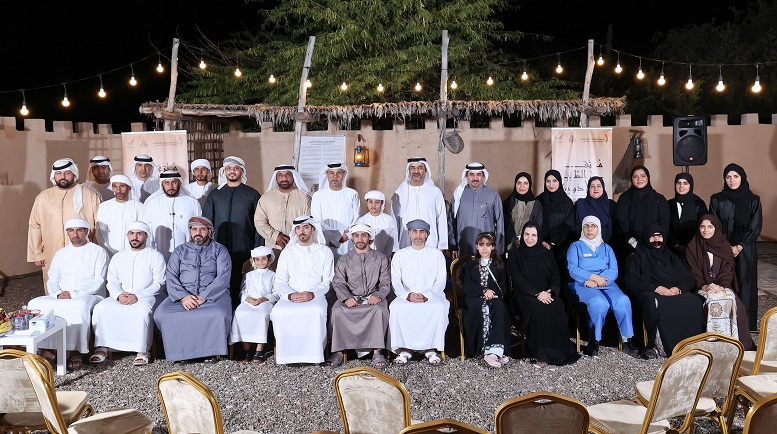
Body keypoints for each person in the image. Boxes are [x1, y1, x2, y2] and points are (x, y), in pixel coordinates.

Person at [28, 218, 107, 370]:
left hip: (87, 295)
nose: (75, 234)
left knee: (78, 307)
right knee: (35, 304)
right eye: (71, 230)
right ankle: (48, 349)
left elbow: (99, 281)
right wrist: (57, 293)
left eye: (79, 230)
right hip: (61, 294)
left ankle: (75, 350)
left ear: (86, 232)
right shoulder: (61, 253)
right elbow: (53, 278)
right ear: (67, 233)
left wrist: (74, 294)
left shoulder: (98, 252)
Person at [153, 217, 232, 363]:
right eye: (194, 229)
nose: (198, 233)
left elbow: (223, 276)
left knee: (219, 314)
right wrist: (183, 297)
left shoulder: (220, 250)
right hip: (182, 295)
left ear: (210, 232)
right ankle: (180, 353)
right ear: (190, 231)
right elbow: (170, 276)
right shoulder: (180, 251)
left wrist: (204, 296)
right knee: (161, 313)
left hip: (213, 295)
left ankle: (210, 353)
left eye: (202, 229)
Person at [624, 224, 705, 359]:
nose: (657, 240)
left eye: (659, 236)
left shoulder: (671, 256)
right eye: (653, 236)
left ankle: (690, 345)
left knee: (694, 301)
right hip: (651, 290)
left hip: (673, 291)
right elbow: (631, 281)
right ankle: (657, 347)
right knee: (654, 302)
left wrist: (678, 289)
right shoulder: (638, 257)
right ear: (646, 238)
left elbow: (688, 280)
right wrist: (656, 288)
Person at [90, 221, 165, 366]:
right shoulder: (118, 257)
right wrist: (118, 295)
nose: (135, 237)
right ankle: (103, 347)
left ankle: (142, 350)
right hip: (122, 295)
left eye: (139, 234)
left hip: (148, 295)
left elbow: (159, 283)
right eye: (131, 233)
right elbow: (111, 281)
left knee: (142, 310)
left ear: (146, 236)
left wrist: (138, 296)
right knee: (101, 308)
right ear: (127, 236)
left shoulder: (156, 256)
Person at [509, 222, 579, 365]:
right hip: (525, 294)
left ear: (539, 236)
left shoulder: (546, 252)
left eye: (533, 235)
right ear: (522, 235)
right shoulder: (515, 253)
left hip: (546, 292)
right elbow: (517, 278)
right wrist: (536, 293)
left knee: (557, 306)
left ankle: (557, 351)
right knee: (537, 309)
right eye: (526, 234)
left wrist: (549, 291)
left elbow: (555, 275)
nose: (529, 238)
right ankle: (539, 354)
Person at [567, 216, 638, 357]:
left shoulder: (607, 248)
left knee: (623, 300)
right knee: (599, 303)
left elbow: (614, 270)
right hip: (583, 284)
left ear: (598, 229)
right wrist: (593, 278)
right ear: (582, 228)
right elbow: (573, 269)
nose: (589, 229)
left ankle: (626, 339)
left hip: (607, 284)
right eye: (586, 226)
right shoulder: (575, 246)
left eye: (593, 226)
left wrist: (600, 280)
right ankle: (594, 340)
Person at [684, 214, 755, 350]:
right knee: (709, 300)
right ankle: (710, 345)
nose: (706, 230)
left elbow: (728, 270)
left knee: (736, 304)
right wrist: (704, 285)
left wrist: (720, 285)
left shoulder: (724, 245)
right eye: (702, 226)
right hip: (701, 286)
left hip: (722, 286)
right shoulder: (692, 246)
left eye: (710, 226)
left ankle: (734, 345)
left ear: (715, 228)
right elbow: (692, 271)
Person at [28, 158, 101, 288]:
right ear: (53, 176)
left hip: (82, 251)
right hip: (51, 251)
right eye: (58, 173)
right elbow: (35, 225)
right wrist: (37, 253)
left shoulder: (88, 195)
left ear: (74, 174)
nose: (63, 177)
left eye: (67, 173)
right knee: (52, 284)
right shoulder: (43, 197)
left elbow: (98, 224)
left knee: (81, 284)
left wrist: (96, 250)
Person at [271, 216, 334, 364]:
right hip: (291, 295)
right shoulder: (288, 252)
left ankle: (314, 356)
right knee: (279, 312)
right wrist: (290, 295)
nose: (301, 231)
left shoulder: (325, 252)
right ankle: (287, 357)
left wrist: (312, 294)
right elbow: (280, 282)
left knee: (316, 311)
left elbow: (328, 281)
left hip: (316, 295)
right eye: (298, 228)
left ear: (313, 229)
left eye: (305, 227)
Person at [327, 224, 391, 369]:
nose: (360, 239)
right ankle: (338, 351)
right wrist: (346, 298)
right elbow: (338, 282)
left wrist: (378, 295)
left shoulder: (380, 258)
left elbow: (385, 282)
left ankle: (377, 351)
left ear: (370, 238)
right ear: (352, 238)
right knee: (337, 310)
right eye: (356, 235)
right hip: (351, 298)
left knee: (380, 311)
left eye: (364, 235)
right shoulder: (344, 259)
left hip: (373, 298)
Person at [203, 156, 263, 307]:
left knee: (242, 282)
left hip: (245, 247)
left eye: (236, 168)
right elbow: (207, 223)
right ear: (224, 171)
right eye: (228, 168)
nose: (232, 171)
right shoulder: (215, 194)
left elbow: (259, 224)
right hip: (219, 248)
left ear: (242, 171)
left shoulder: (252, 194)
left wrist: (257, 250)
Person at [709, 163, 762, 330]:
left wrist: (739, 246)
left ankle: (746, 323)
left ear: (742, 178)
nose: (732, 180)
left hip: (745, 250)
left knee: (745, 284)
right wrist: (726, 247)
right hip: (723, 248)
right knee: (725, 281)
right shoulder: (717, 199)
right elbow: (714, 225)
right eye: (728, 177)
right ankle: (724, 323)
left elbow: (755, 227)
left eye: (736, 176)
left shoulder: (754, 200)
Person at [389, 219, 449, 365]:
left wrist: (427, 295)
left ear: (427, 234)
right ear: (409, 233)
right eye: (414, 231)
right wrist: (407, 295)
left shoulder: (436, 255)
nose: (418, 235)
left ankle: (430, 349)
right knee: (396, 307)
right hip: (406, 296)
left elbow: (441, 281)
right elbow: (396, 280)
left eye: (421, 232)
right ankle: (405, 350)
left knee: (438, 307)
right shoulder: (400, 255)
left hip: (432, 296)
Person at [462, 232, 510, 367]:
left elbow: (503, 284)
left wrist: (491, 293)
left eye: (488, 245)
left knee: (499, 307)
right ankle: (483, 349)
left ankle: (496, 349)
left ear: (493, 247)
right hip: (475, 297)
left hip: (493, 296)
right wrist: (482, 291)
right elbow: (467, 283)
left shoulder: (499, 263)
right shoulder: (471, 263)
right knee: (480, 308)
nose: (484, 248)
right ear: (476, 246)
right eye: (481, 245)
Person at [229, 246, 278, 364]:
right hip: (249, 302)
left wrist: (262, 299)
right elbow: (243, 291)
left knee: (261, 316)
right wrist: (249, 299)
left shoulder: (273, 275)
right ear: (254, 261)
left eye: (263, 259)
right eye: (257, 259)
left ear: (269, 259)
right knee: (240, 313)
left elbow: (276, 293)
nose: (260, 262)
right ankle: (246, 350)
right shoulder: (249, 275)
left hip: (265, 302)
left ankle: (259, 349)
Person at [140, 170, 202, 261]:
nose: (170, 186)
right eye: (167, 183)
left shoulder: (192, 203)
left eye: (174, 182)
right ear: (162, 184)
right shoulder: (152, 204)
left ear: (179, 183)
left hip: (187, 254)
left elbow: (199, 228)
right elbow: (146, 231)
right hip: (159, 254)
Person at [449, 162, 505, 257]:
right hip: (463, 246)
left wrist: (498, 249)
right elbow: (451, 221)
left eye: (478, 174)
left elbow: (500, 224)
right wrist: (453, 245)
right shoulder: (458, 194)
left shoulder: (493, 195)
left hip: (486, 247)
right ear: (466, 176)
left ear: (483, 176)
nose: (475, 178)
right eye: (471, 174)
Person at [391, 157, 448, 250]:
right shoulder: (400, 193)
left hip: (431, 242)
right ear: (409, 170)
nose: (416, 171)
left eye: (420, 168)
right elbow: (394, 221)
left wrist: (443, 245)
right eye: (412, 168)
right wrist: (394, 247)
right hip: (406, 243)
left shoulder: (434, 191)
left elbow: (441, 219)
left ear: (425, 170)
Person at [613, 165, 670, 256]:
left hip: (654, 246)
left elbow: (664, 225)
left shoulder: (659, 199)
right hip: (629, 247)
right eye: (635, 176)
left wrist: (656, 243)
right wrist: (633, 243)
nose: (639, 179)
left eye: (643, 176)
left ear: (648, 178)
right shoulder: (624, 198)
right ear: (631, 179)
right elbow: (621, 223)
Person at [311, 161, 360, 261]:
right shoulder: (318, 196)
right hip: (326, 240)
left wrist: (347, 235)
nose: (335, 176)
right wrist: (336, 237)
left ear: (343, 175)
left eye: (338, 173)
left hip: (348, 241)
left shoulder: (352, 194)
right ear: (327, 175)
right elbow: (317, 220)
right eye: (331, 173)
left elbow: (357, 217)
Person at [254, 164, 312, 249]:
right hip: (273, 247)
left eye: (287, 174)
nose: (284, 178)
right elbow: (259, 220)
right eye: (280, 175)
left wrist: (294, 240)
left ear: (293, 177)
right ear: (276, 178)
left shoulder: (305, 198)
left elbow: (309, 223)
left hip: (297, 247)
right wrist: (276, 236)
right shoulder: (266, 198)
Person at [536, 170, 576, 280]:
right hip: (541, 244)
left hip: (560, 246)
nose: (551, 184)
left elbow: (568, 225)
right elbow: (534, 222)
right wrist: (542, 241)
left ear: (560, 182)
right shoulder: (539, 200)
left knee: (559, 276)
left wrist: (553, 243)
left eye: (554, 181)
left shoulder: (566, 202)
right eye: (548, 181)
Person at [95, 175, 142, 256]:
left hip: (133, 253)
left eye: (122, 186)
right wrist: (109, 252)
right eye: (115, 186)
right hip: (109, 253)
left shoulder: (138, 206)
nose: (118, 190)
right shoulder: (104, 207)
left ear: (129, 187)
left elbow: (141, 231)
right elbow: (101, 233)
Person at [667, 173, 708, 255]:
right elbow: (665, 226)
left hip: (695, 250)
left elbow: (704, 226)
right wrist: (676, 245)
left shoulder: (699, 204)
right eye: (678, 183)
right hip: (672, 250)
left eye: (685, 183)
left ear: (691, 185)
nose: (681, 186)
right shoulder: (668, 204)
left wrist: (692, 246)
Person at [502, 172, 543, 249]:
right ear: (515, 184)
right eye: (519, 183)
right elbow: (504, 224)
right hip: (510, 244)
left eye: (525, 183)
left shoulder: (536, 204)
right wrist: (513, 241)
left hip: (530, 244)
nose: (522, 186)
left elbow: (538, 226)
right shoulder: (508, 202)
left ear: (530, 185)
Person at [356, 190, 398, 259]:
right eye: (370, 202)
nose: (373, 205)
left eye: (377, 202)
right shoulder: (362, 220)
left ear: (382, 204)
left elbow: (394, 240)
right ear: (367, 204)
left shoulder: (389, 220)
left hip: (385, 257)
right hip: (366, 258)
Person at [574, 176, 616, 244]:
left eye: (599, 186)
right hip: (584, 244)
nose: (596, 189)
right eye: (592, 186)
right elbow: (576, 227)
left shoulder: (611, 205)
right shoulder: (580, 204)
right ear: (588, 189)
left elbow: (616, 228)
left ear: (603, 188)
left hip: (608, 244)